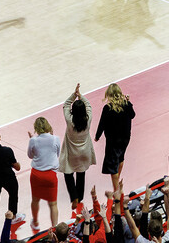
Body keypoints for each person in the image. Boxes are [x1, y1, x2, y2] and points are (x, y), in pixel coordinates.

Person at [58, 85, 95, 215]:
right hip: (84, 152)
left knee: (68, 173)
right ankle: (79, 197)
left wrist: (74, 94)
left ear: (73, 111)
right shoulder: (88, 120)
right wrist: (81, 96)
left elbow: (65, 104)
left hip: (72, 152)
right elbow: (89, 105)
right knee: (81, 174)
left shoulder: (70, 120)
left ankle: (74, 197)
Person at [94, 84, 135, 192]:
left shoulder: (107, 108)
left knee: (113, 165)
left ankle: (116, 190)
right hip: (126, 138)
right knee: (121, 157)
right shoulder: (126, 104)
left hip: (113, 140)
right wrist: (129, 102)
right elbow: (132, 115)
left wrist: (97, 136)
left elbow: (102, 123)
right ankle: (117, 183)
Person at [26, 117, 60, 232]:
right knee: (53, 204)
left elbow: (30, 155)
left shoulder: (33, 140)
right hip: (50, 175)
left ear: (36, 128)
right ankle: (54, 228)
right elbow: (57, 154)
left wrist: (32, 140)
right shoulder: (56, 139)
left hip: (36, 175)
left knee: (35, 200)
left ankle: (35, 222)